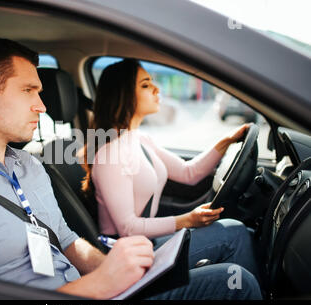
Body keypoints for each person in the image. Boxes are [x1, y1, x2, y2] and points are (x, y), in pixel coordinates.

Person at [0, 39, 261, 300]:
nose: (42, 106)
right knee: (237, 281)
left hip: (95, 290)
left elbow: (68, 242)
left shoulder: (28, 166)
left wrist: (112, 271)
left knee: (234, 267)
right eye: (28, 90)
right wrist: (100, 286)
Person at [83, 58, 260, 284]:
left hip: (146, 242)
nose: (156, 88)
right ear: (123, 94)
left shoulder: (140, 139)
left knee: (238, 230)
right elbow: (127, 228)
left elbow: (190, 173)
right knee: (234, 234)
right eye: (146, 85)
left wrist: (226, 141)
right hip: (126, 255)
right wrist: (187, 220)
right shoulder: (109, 154)